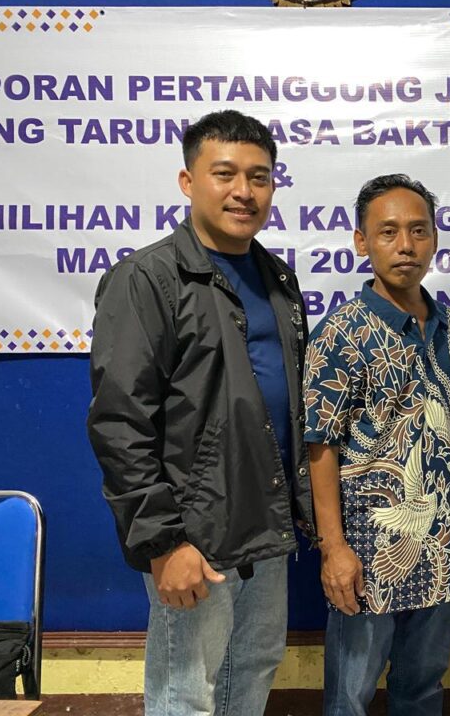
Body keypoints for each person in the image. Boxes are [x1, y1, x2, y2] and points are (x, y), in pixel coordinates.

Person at [87, 110, 313, 716]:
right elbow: (119, 423)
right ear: (188, 182)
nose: (244, 191)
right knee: (186, 692)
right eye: (225, 174)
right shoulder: (147, 278)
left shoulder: (277, 279)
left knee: (253, 670)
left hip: (266, 523)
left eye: (259, 177)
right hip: (194, 532)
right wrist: (162, 542)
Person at [302, 173, 450, 716]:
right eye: (388, 232)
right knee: (350, 697)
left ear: (434, 238)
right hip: (369, 553)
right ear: (362, 242)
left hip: (441, 547)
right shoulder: (342, 333)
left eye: (418, 230)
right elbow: (320, 446)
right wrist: (334, 549)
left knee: (423, 688)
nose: (406, 245)